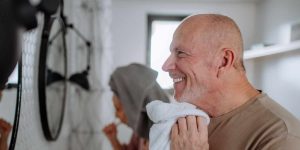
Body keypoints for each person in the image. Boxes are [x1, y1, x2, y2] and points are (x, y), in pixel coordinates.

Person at [161, 14, 300, 150]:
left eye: (180, 53)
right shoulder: (189, 118)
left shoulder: (281, 137)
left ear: (223, 61)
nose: (165, 66)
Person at [103, 63, 169, 150]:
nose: (116, 115)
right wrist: (113, 139)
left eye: (118, 108)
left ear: (135, 104)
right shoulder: (141, 128)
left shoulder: (169, 133)